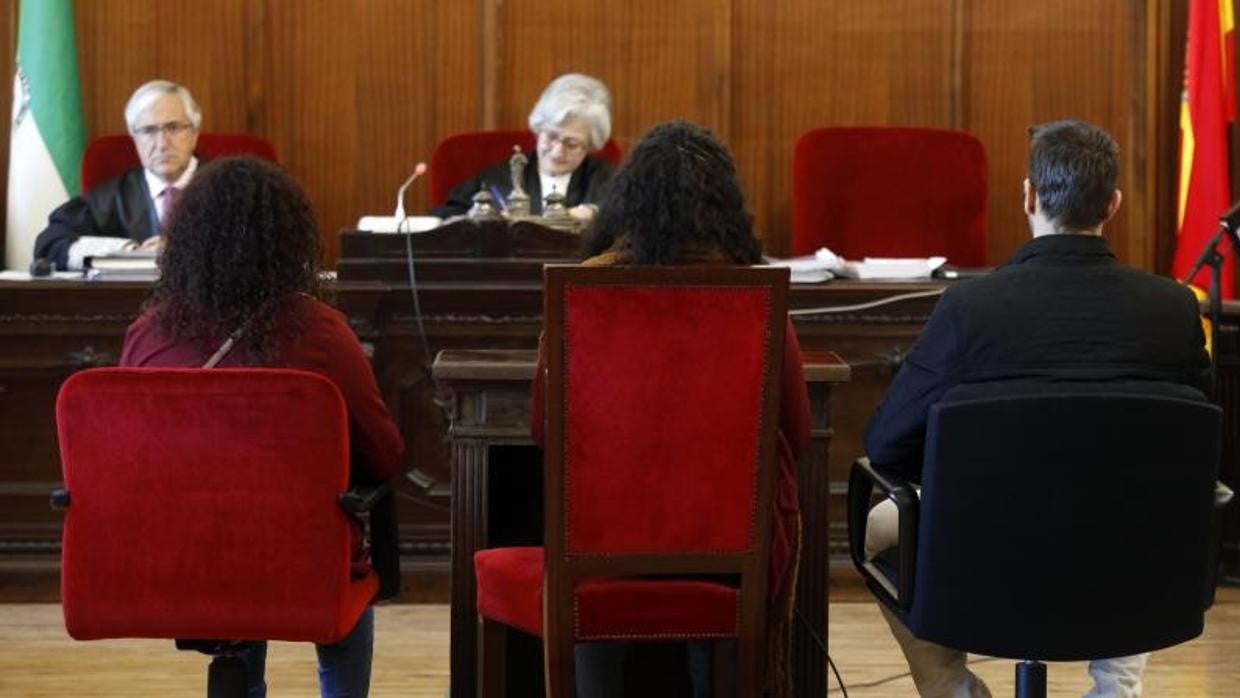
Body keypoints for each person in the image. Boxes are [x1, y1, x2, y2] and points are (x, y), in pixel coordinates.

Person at [863, 120, 1211, 698]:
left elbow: (886, 446)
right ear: (1114, 204)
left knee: (872, 531)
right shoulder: (1173, 311)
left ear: (1028, 196)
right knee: (1140, 504)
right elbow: (1191, 448)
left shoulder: (969, 309)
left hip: (985, 568)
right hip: (1124, 564)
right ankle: (1114, 687)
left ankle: (951, 685)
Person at [531, 120, 812, 698]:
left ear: (624, 200)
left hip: (600, 535)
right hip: (726, 545)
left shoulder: (583, 293)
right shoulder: (753, 297)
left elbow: (542, 428)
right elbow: (800, 432)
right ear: (725, 206)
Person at [119, 157, 404, 697]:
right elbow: (384, 456)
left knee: (234, 549)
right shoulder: (319, 332)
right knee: (337, 568)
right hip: (300, 560)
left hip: (182, 556)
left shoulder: (147, 334)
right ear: (290, 242)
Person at [35, 79, 203, 270]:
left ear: (194, 133)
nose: (162, 144)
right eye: (149, 131)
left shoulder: (234, 188)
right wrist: (128, 252)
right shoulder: (109, 199)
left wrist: (182, 250)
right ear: (134, 138)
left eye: (173, 128)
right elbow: (50, 245)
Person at [432, 73, 614, 222]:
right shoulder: (495, 178)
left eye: (572, 144)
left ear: (590, 145)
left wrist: (594, 215)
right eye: (551, 136)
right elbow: (443, 219)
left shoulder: (608, 180)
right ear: (538, 128)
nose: (558, 151)